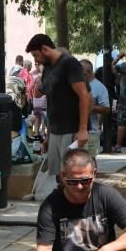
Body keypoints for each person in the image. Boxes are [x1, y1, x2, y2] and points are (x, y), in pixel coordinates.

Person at [25, 34, 91, 195]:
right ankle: (63, 206)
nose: (36, 60)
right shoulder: (48, 68)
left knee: (72, 173)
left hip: (71, 129)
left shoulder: (69, 63)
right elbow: (50, 101)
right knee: (58, 175)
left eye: (36, 55)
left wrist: (82, 129)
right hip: (55, 130)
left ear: (45, 49)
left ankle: (76, 209)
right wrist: (48, 134)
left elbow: (84, 95)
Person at [81, 59, 109, 157]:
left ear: (87, 72)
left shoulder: (99, 87)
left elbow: (106, 108)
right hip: (78, 131)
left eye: (80, 71)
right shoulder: (78, 84)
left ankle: (93, 172)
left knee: (90, 160)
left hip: (92, 131)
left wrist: (91, 107)